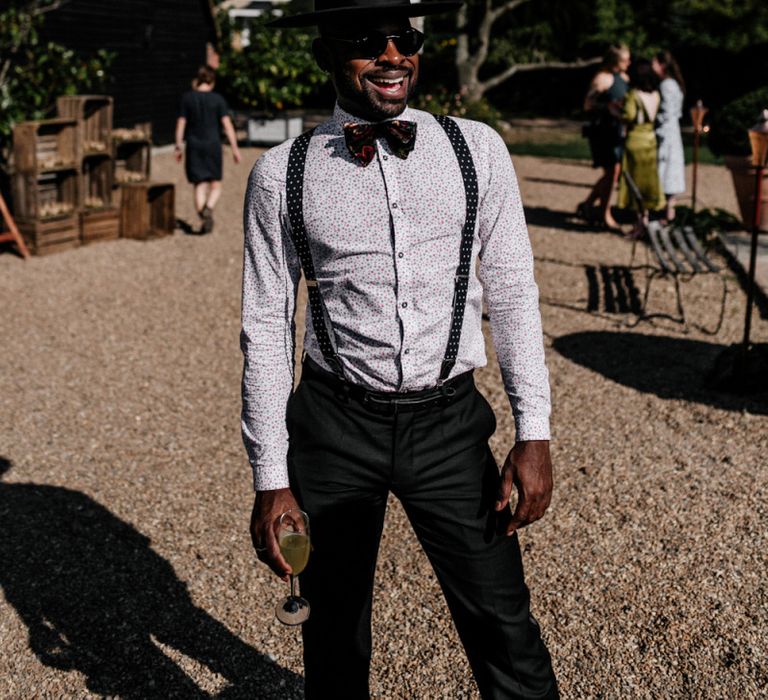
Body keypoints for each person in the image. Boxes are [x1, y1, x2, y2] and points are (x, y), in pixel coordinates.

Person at [241, 1, 559, 698]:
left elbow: (512, 291)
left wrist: (533, 431)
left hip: (448, 425)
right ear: (328, 51)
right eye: (366, 40)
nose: (391, 54)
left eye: (404, 37)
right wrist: (271, 478)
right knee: (334, 634)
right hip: (333, 428)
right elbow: (266, 326)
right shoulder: (280, 174)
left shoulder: (476, 149)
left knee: (505, 627)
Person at [175, 65, 241, 234]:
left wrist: (178, 145)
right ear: (212, 81)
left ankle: (203, 214)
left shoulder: (187, 98)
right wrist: (235, 148)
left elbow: (181, 123)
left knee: (199, 184)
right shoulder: (218, 100)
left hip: (194, 145)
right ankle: (209, 208)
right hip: (213, 144)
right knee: (216, 184)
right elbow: (227, 126)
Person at [578, 43, 631, 230]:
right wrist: (607, 107)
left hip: (618, 131)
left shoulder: (624, 78)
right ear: (616, 60)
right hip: (603, 131)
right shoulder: (603, 78)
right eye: (625, 59)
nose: (629, 62)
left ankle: (588, 204)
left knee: (613, 173)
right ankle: (604, 213)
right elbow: (587, 104)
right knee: (613, 171)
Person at [617, 59, 666, 238]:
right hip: (651, 141)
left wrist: (617, 112)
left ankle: (639, 222)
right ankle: (646, 219)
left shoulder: (634, 95)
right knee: (648, 183)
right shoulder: (656, 95)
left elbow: (629, 116)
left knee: (635, 183)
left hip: (636, 140)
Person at [652, 50, 686, 222]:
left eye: (654, 63)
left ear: (662, 65)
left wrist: (652, 121)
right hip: (672, 131)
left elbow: (667, 111)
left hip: (666, 131)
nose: (652, 66)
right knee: (669, 170)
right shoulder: (673, 83)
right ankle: (668, 213)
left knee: (665, 169)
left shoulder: (666, 85)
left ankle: (663, 213)